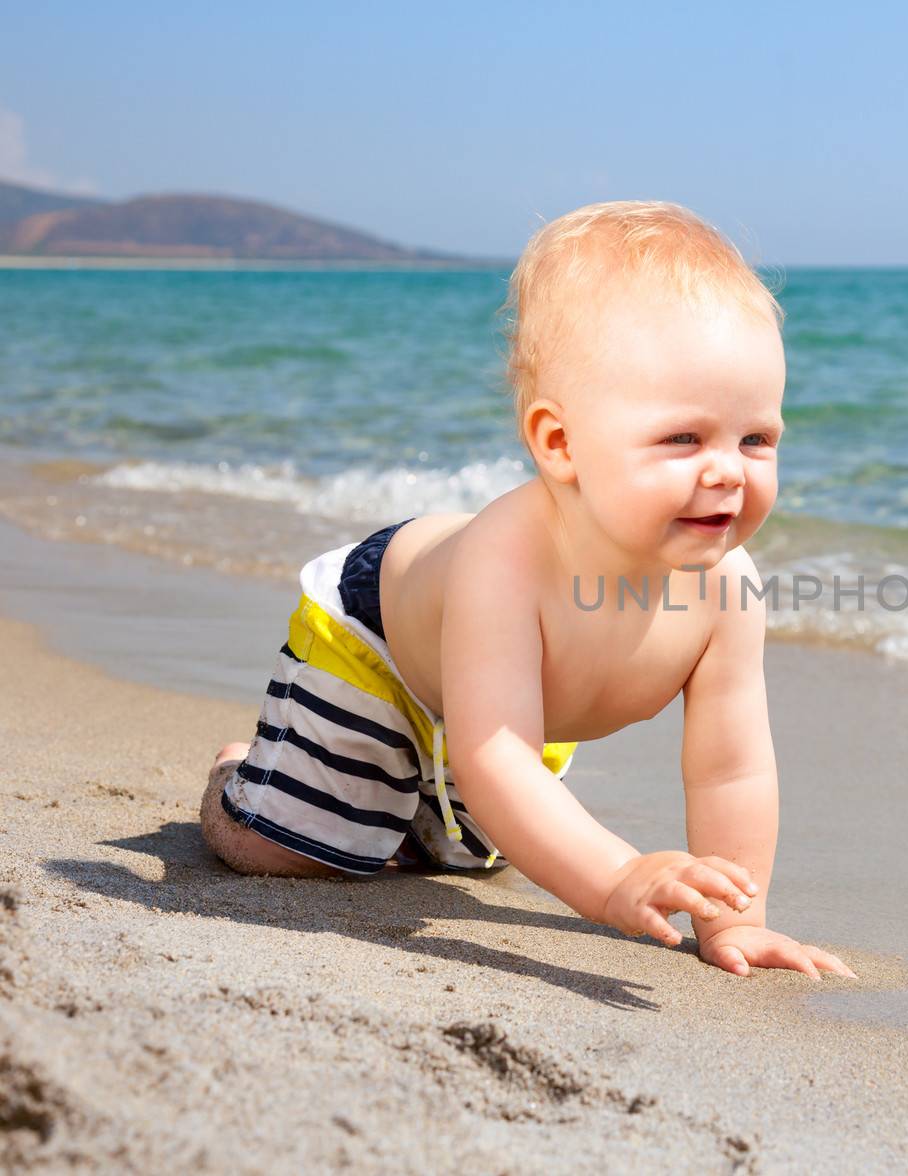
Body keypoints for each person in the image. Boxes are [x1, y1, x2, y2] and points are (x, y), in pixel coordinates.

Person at [199, 200, 855, 980]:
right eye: (683, 437)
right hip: (379, 639)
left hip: (509, 710)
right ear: (560, 443)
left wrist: (736, 921)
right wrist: (616, 878)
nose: (727, 469)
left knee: (463, 859)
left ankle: (392, 795)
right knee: (292, 851)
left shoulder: (727, 590)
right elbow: (496, 760)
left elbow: (731, 767)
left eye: (757, 439)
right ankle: (245, 774)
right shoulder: (506, 559)